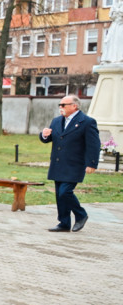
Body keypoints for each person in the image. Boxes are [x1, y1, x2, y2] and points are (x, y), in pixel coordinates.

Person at [40, 94, 100, 232]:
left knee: (65, 192)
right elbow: (49, 138)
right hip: (58, 163)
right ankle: (64, 223)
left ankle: (81, 214)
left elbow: (93, 144)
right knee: (59, 195)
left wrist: (92, 163)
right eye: (59, 105)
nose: (60, 107)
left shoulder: (87, 122)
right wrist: (44, 135)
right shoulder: (56, 121)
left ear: (74, 106)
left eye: (63, 105)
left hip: (74, 164)